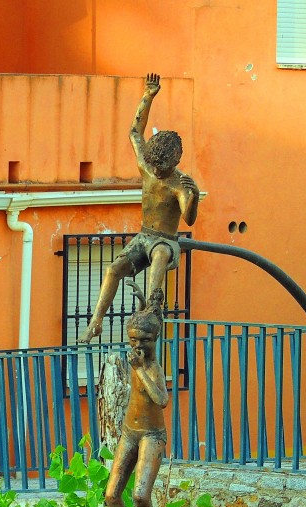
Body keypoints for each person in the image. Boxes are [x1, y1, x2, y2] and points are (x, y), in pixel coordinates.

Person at [78, 73, 199, 344]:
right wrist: (147, 96)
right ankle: (96, 322)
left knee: (157, 261)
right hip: (143, 236)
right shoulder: (146, 167)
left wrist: (194, 197)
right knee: (112, 270)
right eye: (153, 166)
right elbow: (134, 132)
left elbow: (189, 220)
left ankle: (152, 310)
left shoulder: (179, 184)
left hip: (165, 242)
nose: (155, 171)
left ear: (174, 162)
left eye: (161, 168)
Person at [105, 288, 169, 507]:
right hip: (130, 432)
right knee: (111, 494)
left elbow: (162, 400)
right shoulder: (134, 359)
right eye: (133, 340)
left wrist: (141, 371)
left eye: (144, 340)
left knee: (140, 496)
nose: (138, 345)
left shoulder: (151, 367)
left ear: (155, 340)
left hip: (152, 436)